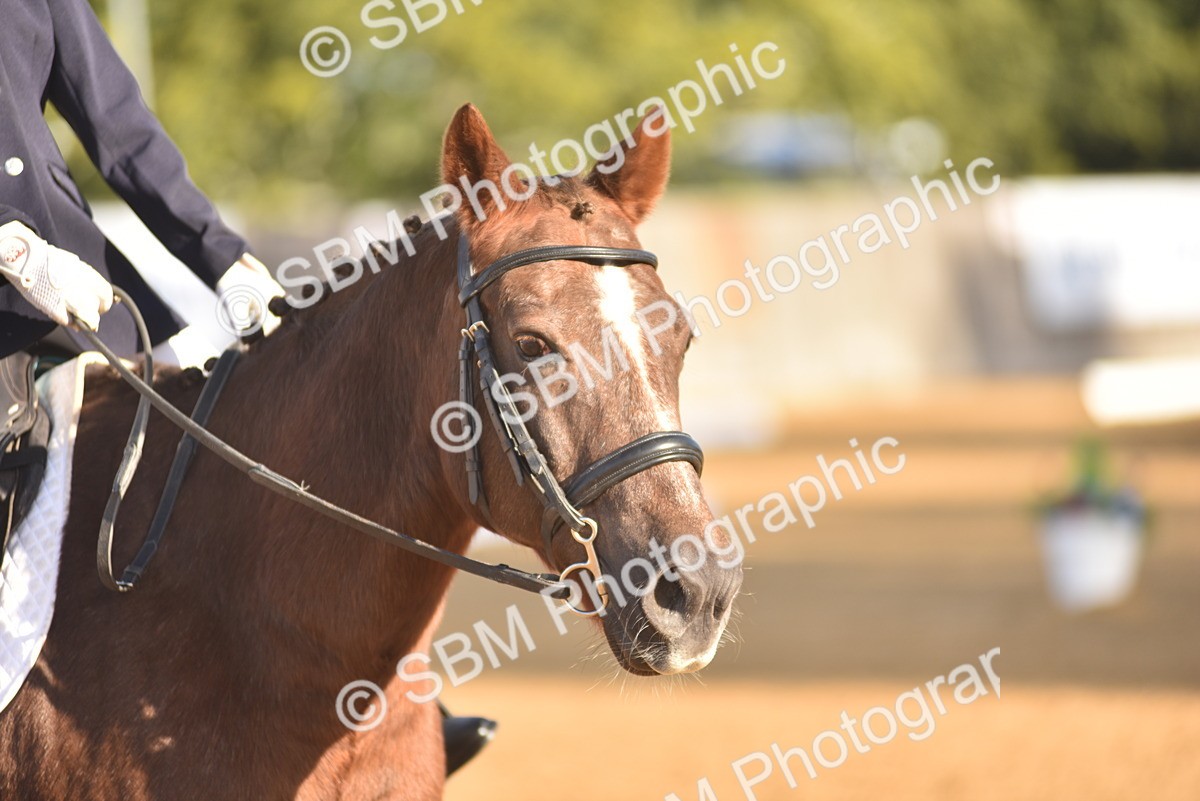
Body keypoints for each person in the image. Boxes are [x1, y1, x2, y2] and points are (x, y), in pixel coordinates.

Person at [0, 0, 493, 776]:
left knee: (222, 463)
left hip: (76, 304)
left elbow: (121, 129)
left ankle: (375, 720)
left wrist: (223, 259)